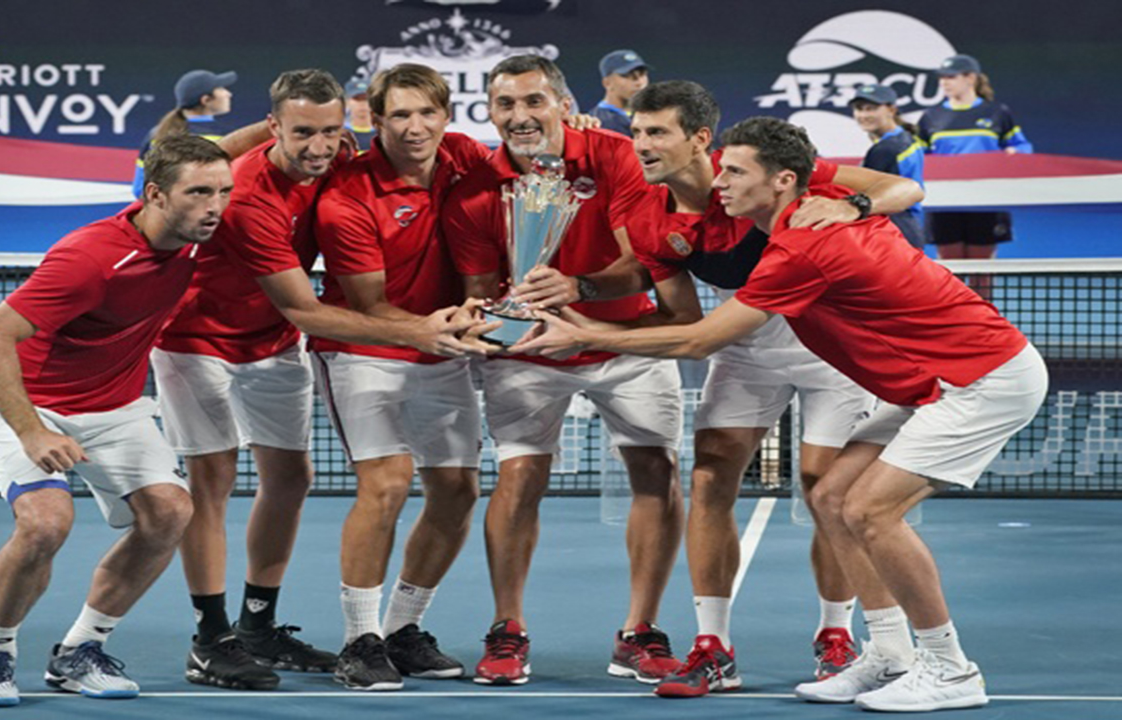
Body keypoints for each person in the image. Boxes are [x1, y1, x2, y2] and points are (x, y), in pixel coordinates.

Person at [515, 116, 1047, 713]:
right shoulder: (799, 224)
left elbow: (699, 339)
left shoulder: (803, 248)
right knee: (832, 496)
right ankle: (891, 653)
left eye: (735, 173)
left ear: (782, 181)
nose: (720, 183)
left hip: (980, 381)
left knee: (871, 511)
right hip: (930, 382)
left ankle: (950, 669)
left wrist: (584, 335)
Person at [152, 68, 491, 691]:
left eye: (330, 131)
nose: (319, 146)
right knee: (214, 479)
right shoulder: (247, 196)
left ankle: (259, 625)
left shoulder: (343, 155)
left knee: (291, 478)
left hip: (271, 342)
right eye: (302, 132)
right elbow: (305, 309)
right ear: (273, 127)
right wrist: (420, 331)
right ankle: (211, 638)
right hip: (197, 340)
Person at [0, 135, 234, 707]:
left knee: (171, 512)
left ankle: (81, 650)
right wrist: (32, 430)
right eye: (199, 193)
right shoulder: (91, 258)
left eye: (223, 192)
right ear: (155, 194)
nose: (215, 206)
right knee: (45, 524)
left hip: (114, 406)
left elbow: (244, 153)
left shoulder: (196, 235)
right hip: (28, 402)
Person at [442, 55, 686, 687]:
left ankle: (640, 631)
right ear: (489, 111)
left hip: (625, 341)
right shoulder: (474, 192)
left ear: (563, 104)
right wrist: (494, 321)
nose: (520, 116)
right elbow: (478, 288)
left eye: (534, 101)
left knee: (657, 471)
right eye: (505, 104)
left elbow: (645, 264)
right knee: (519, 477)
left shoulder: (616, 156)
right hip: (533, 353)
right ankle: (507, 628)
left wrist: (578, 288)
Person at [312, 63, 499, 692]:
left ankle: (401, 629)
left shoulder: (465, 158)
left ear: (447, 116)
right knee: (387, 484)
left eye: (427, 113)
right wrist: (435, 327)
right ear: (375, 119)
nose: (415, 127)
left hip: (442, 350)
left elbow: (536, 164)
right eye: (399, 114)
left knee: (457, 492)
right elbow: (369, 306)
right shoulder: (345, 197)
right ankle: (358, 641)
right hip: (363, 349)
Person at [918, 54, 1032, 267]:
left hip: (986, 197)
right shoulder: (931, 116)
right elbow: (919, 155)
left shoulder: (997, 112)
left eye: (951, 77)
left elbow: (1022, 147)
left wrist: (1014, 153)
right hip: (945, 199)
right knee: (950, 266)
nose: (944, 82)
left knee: (982, 267)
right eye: (942, 77)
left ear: (970, 78)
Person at [133, 69, 238, 197]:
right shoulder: (228, 136)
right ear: (205, 100)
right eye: (221, 89)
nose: (228, 94)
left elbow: (139, 189)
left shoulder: (155, 134)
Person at [850, 84, 927, 248]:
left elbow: (864, 195)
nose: (863, 115)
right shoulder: (906, 138)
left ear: (891, 110)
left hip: (893, 229)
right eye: (859, 109)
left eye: (871, 109)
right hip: (907, 226)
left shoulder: (886, 149)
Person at [590, 49, 649, 137]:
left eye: (642, 74)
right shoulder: (596, 123)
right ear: (607, 83)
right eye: (627, 75)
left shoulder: (651, 115)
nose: (639, 82)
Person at [344, 77, 376, 152]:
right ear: (347, 102)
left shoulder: (383, 134)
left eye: (366, 99)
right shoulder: (340, 134)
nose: (362, 104)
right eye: (357, 99)